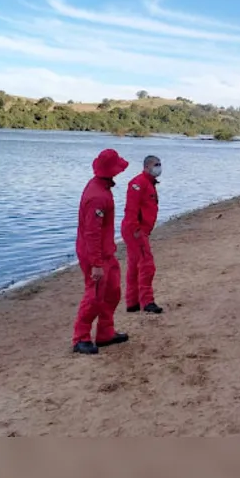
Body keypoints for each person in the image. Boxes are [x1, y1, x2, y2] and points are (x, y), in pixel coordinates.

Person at [72, 148, 130, 355]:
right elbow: (92, 233)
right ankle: (81, 338)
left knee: (113, 292)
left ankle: (106, 332)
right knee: (94, 296)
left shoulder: (102, 187)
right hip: (94, 253)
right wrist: (96, 263)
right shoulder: (97, 196)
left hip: (105, 251)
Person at [122, 155, 163, 314]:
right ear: (146, 167)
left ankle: (132, 303)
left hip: (140, 229)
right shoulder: (138, 183)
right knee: (147, 265)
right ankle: (147, 301)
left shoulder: (149, 183)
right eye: (155, 165)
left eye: (159, 164)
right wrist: (137, 230)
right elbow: (131, 209)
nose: (158, 167)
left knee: (134, 265)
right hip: (135, 230)